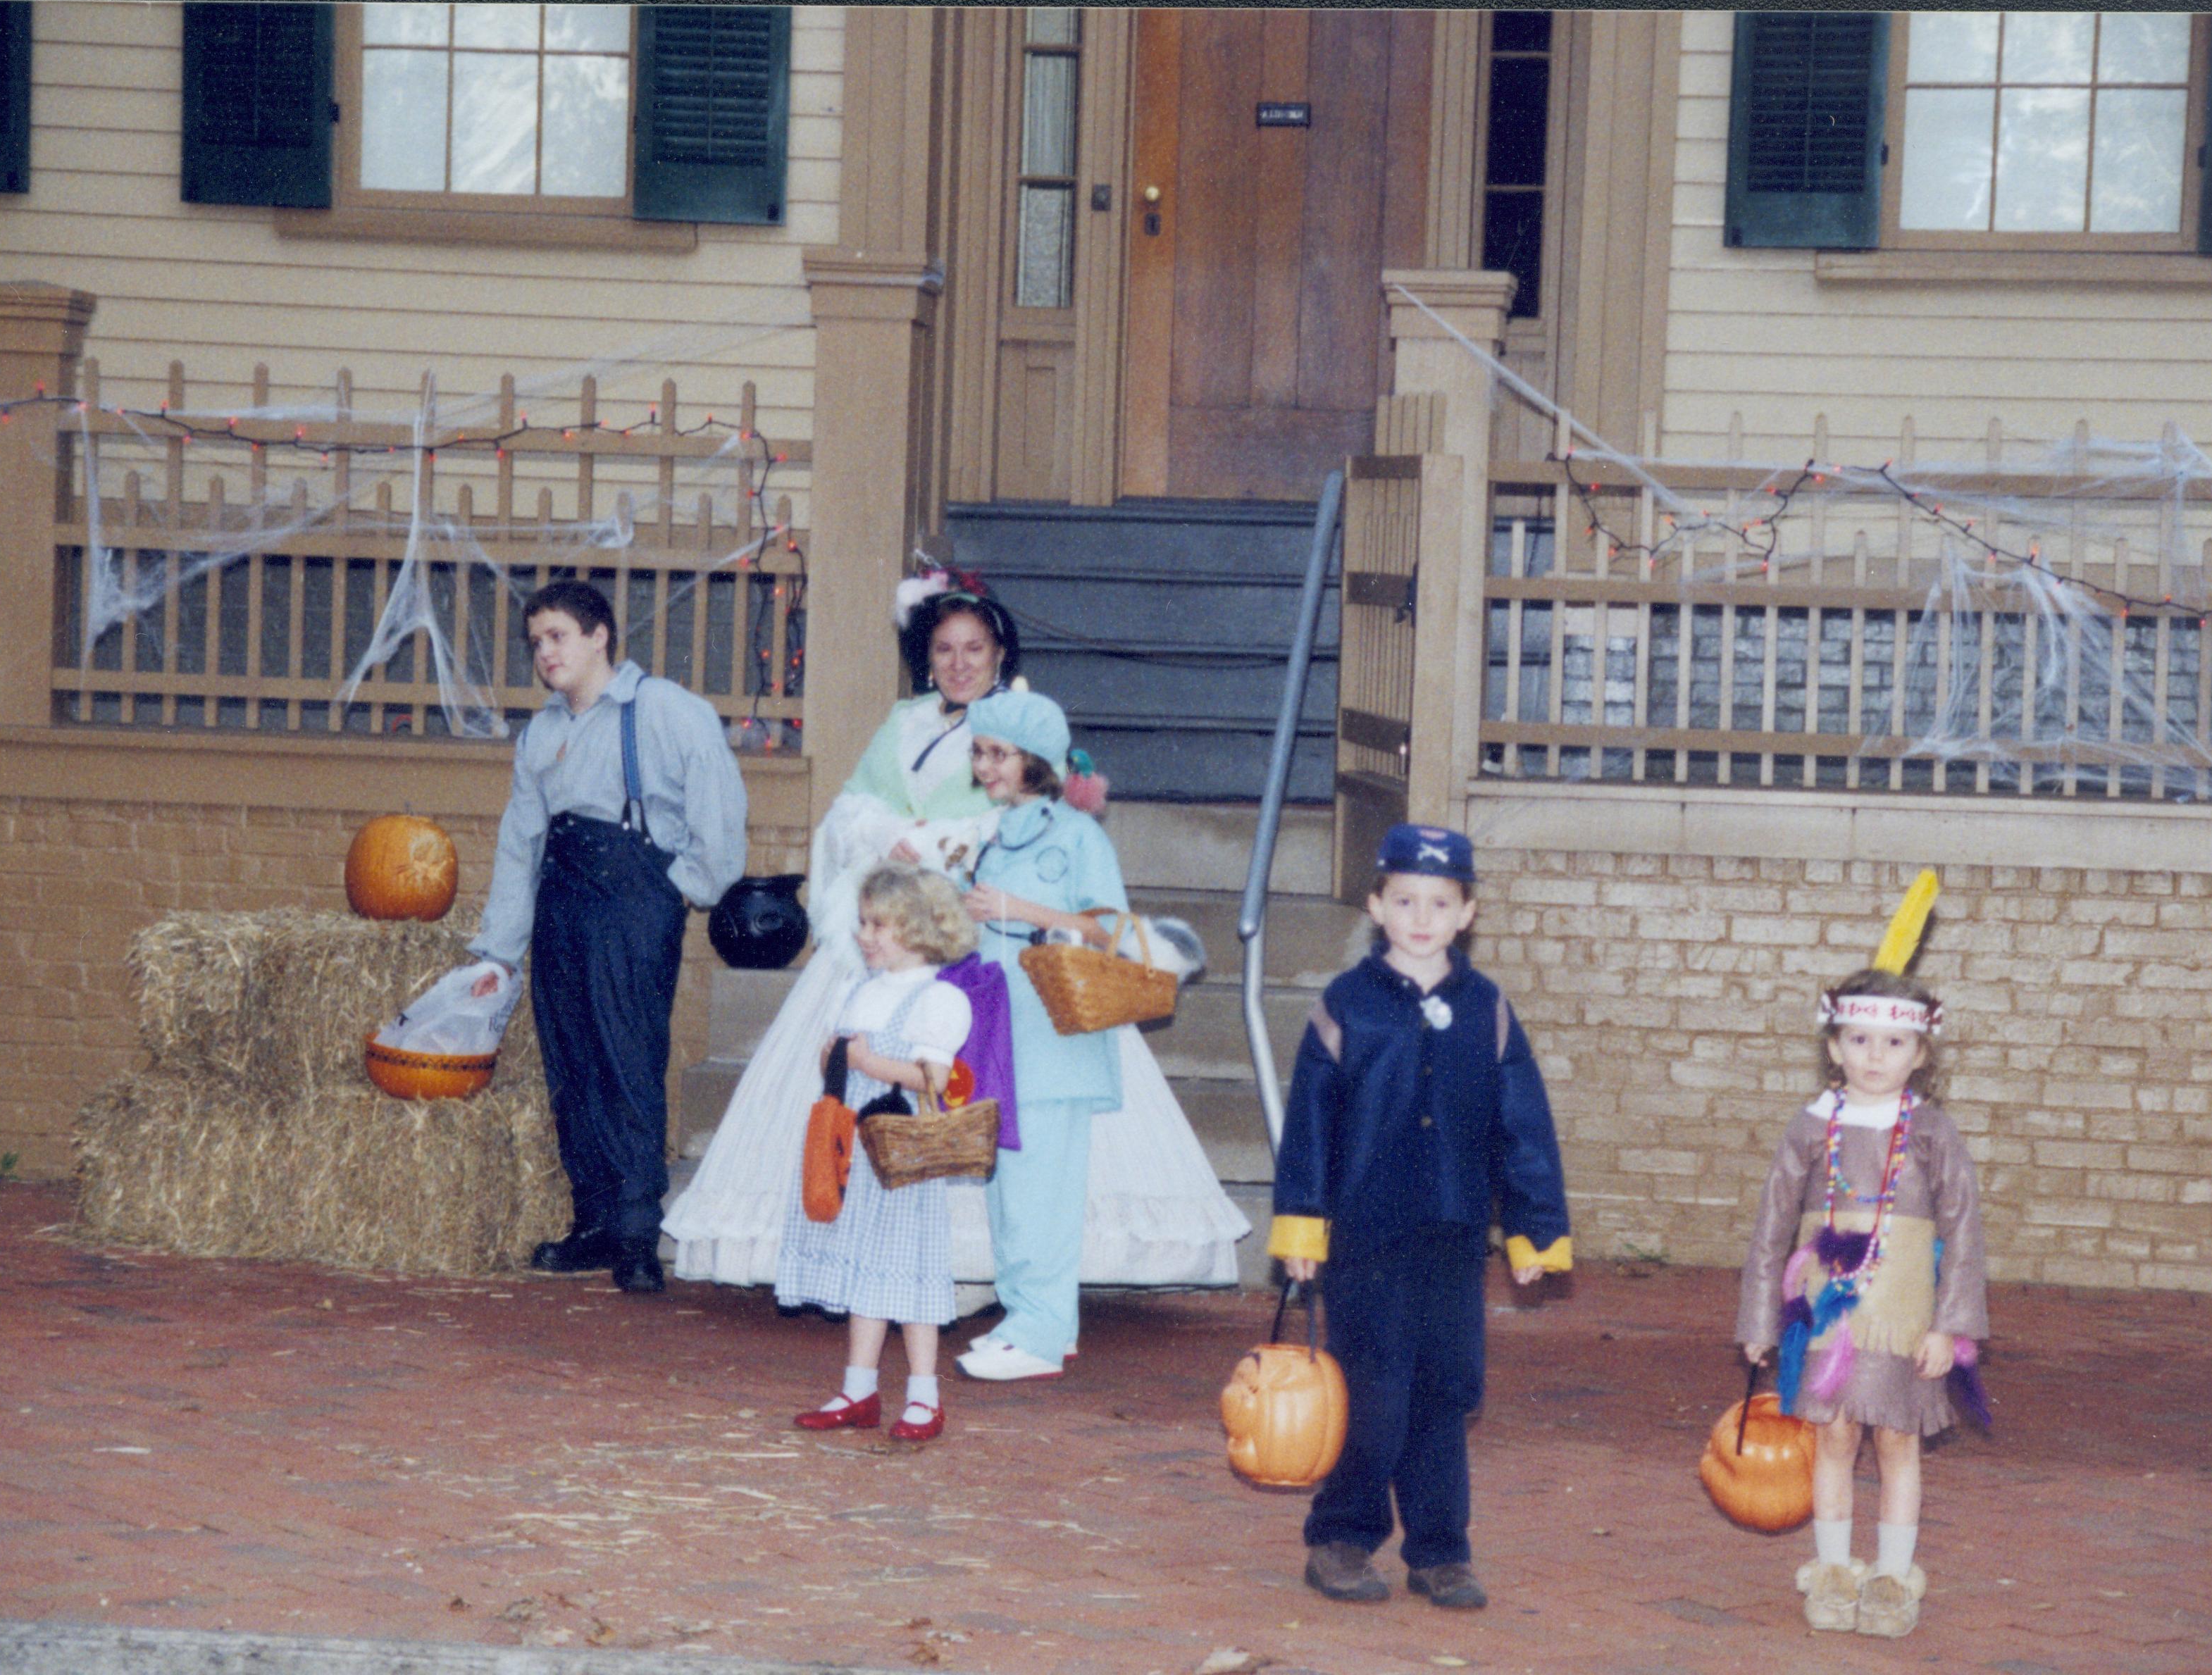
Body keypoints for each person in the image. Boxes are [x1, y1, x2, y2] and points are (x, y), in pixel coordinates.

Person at [665, 578, 1245, 1300]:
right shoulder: (905, 721)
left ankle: (1002, 1270)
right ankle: (880, 1250)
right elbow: (854, 805)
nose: (960, 662)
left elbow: (1030, 820)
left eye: (974, 648)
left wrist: (941, 842)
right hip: (898, 930)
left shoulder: (1023, 726)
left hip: (983, 931)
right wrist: (887, 833)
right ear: (926, 656)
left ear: (999, 651)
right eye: (944, 649)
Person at [1269, 824, 1570, 1611]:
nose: (1421, 916)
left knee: (1445, 1389)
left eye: (1440, 902)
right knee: (1373, 1390)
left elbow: (1523, 1126)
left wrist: (1534, 1228)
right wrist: (1301, 1224)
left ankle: (1440, 1551)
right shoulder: (1345, 1006)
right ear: (1376, 905)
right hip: (1366, 1233)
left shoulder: (1488, 1011)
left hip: (1453, 1232)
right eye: (1404, 900)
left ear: (1467, 911)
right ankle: (1341, 1536)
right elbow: (1308, 1123)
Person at [469, 579, 747, 1295]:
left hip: (632, 899)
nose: (544, 653)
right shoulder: (542, 734)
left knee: (626, 1060)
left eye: (557, 636)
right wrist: (500, 949)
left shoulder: (664, 710)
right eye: (535, 642)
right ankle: (592, 1221)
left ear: (599, 636)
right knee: (574, 1065)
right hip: (561, 898)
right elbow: (519, 842)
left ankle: (634, 1233)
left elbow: (717, 805)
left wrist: (683, 887)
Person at [1737, 966, 1987, 1640]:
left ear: (1921, 1053)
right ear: (1832, 1046)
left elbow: (1963, 1230)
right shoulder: (1811, 1126)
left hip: (1904, 1315)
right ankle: (1834, 1570)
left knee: (1898, 1439)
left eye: (1893, 1044)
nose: (1875, 1058)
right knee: (1834, 1437)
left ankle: (1890, 1577)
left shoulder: (1932, 1132)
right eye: (1858, 1039)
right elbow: (1771, 1228)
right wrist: (1761, 1321)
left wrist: (1950, 1327)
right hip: (1828, 1313)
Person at [954, 690, 1137, 1382]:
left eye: (998, 752)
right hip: (1002, 1036)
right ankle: (1029, 1319)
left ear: (1034, 761)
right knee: (1007, 1185)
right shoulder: (995, 833)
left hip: (1055, 1040)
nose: (986, 764)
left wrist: (1015, 908)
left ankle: (1042, 1326)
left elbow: (1111, 928)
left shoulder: (1079, 835)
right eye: (979, 751)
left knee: (1042, 1192)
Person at [781, 864, 976, 1443]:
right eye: (863, 922)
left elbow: (934, 1078)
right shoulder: (859, 988)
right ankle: (858, 1388)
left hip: (897, 1155)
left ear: (918, 929)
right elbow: (832, 1055)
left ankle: (924, 1395)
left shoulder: (937, 997)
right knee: (867, 1274)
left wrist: (867, 1063)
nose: (866, 935)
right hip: (852, 1147)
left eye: (879, 925)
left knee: (906, 1273)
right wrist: (835, 1060)